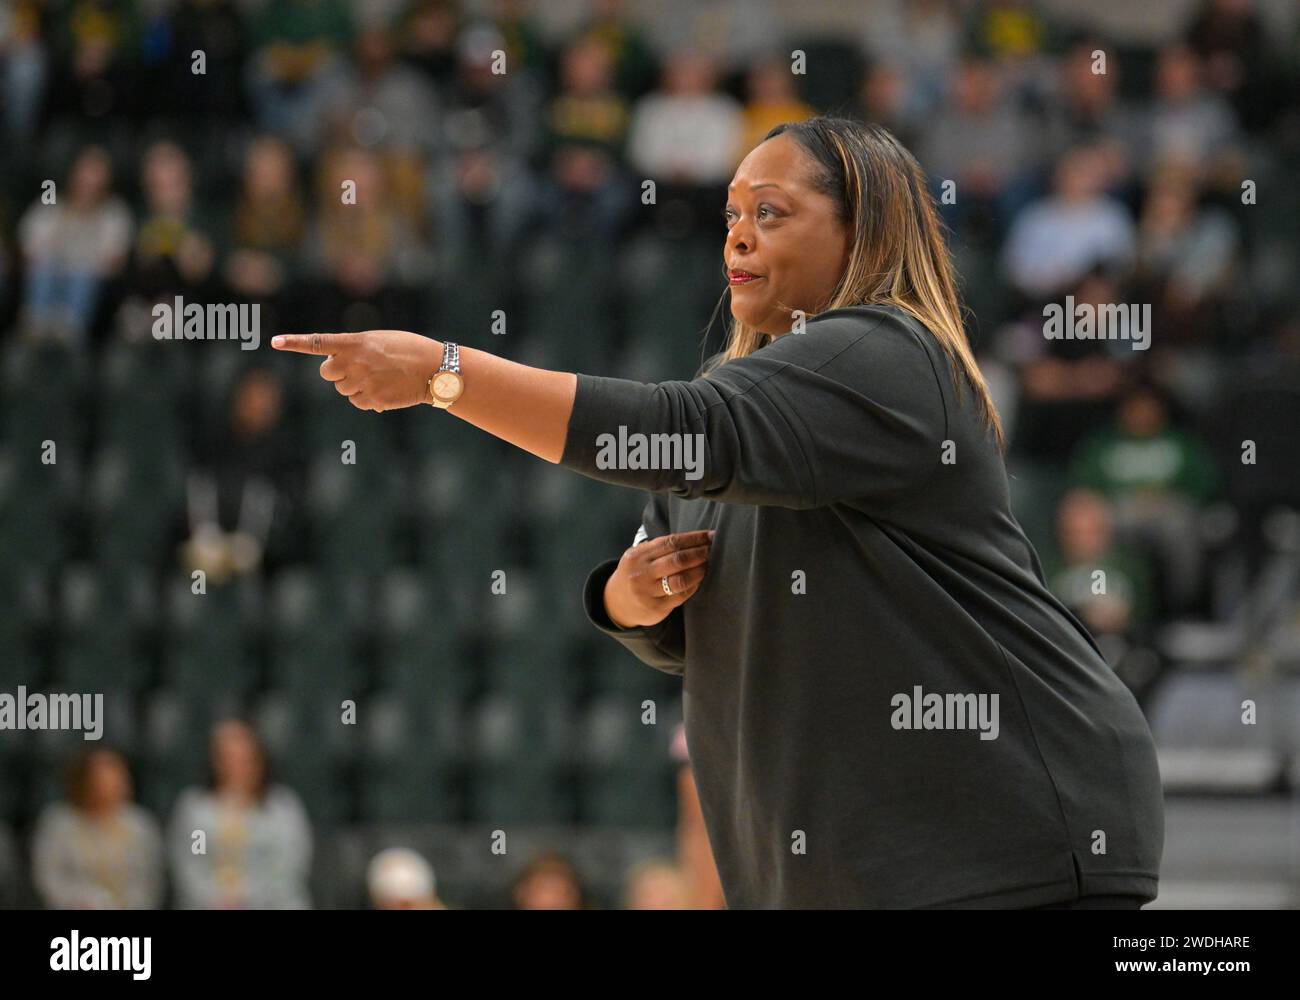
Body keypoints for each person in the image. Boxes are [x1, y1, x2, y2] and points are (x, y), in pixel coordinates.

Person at [273, 116, 1164, 909]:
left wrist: (445, 373)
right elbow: (690, 598)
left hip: (1002, 826)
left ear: (861, 230)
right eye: (732, 215)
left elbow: (676, 431)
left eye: (770, 213)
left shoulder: (887, 351)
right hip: (860, 860)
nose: (737, 237)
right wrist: (629, 602)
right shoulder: (743, 394)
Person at [168, 719, 312, 909]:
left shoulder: (282, 809)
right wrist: (219, 901)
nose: (236, 767)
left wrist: (245, 900)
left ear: (259, 761)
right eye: (227, 758)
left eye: (245, 759)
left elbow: (287, 868)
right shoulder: (197, 811)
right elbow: (192, 862)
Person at [32, 748, 164, 909]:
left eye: (117, 775)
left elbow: (149, 881)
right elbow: (48, 878)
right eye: (102, 776)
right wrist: (79, 903)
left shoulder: (140, 824)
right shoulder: (58, 823)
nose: (112, 783)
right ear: (84, 780)